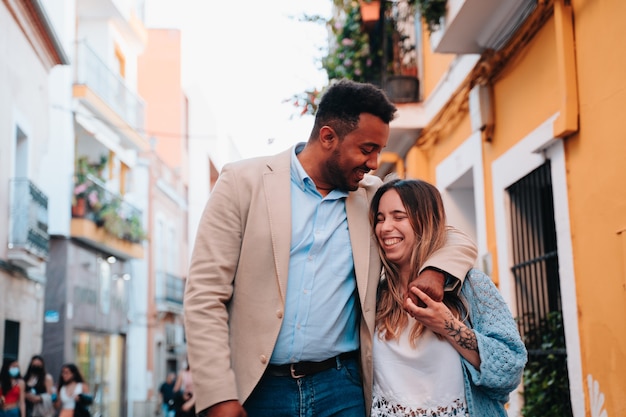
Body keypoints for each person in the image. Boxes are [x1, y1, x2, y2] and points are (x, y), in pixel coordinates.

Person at [184, 79, 478, 417]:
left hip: (342, 388)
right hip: (258, 388)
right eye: (367, 149)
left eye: (379, 151)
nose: (374, 162)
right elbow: (205, 294)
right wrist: (219, 395)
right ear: (328, 138)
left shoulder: (371, 196)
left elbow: (450, 235)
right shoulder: (242, 182)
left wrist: (435, 271)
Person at [369, 179, 528, 416]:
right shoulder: (375, 296)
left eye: (398, 217)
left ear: (425, 223)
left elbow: (510, 370)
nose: (385, 227)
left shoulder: (471, 286)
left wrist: (447, 325)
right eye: (380, 219)